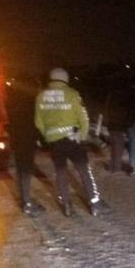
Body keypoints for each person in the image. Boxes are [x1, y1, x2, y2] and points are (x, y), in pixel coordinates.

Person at [34, 67, 101, 217]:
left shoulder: (41, 96)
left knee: (61, 173)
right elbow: (83, 117)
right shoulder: (72, 94)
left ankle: (66, 205)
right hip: (72, 138)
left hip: (55, 141)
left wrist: (48, 135)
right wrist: (82, 135)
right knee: (84, 170)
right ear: (65, 78)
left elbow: (38, 122)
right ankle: (93, 202)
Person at [5, 74, 44, 216]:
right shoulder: (32, 103)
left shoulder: (11, 100)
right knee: (26, 170)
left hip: (16, 139)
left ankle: (25, 199)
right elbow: (37, 123)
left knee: (21, 169)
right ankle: (27, 203)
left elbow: (9, 122)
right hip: (28, 139)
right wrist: (41, 139)